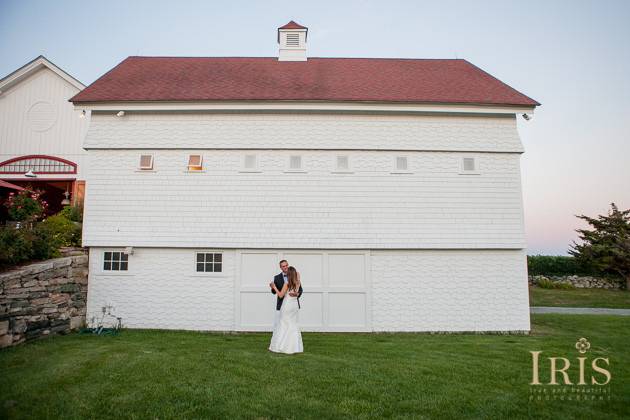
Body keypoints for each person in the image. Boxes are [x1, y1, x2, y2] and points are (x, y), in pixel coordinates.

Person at [268, 265, 303, 354]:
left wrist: (274, 286)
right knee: (293, 324)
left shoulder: (287, 284)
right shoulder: (298, 282)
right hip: (294, 306)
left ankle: (281, 346)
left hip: (287, 305)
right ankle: (294, 347)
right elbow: (297, 291)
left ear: (289, 274)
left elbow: (280, 295)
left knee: (283, 324)